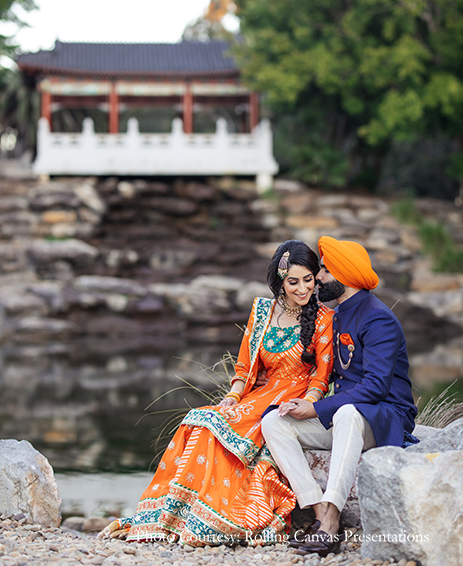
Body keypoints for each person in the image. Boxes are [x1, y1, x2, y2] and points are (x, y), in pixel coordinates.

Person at [99, 240, 334, 546]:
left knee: (217, 428)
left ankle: (214, 518)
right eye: (293, 282)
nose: (303, 289)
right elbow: (245, 368)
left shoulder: (323, 320)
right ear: (280, 281)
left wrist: (309, 404)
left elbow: (321, 377)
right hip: (255, 398)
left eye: (308, 280)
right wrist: (233, 397)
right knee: (200, 420)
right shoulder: (263, 312)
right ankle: (175, 513)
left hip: (289, 402)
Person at [261, 235, 418, 558]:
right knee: (274, 421)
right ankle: (318, 512)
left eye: (325, 271)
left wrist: (317, 408)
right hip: (346, 418)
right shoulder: (339, 314)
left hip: (384, 416)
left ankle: (332, 519)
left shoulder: (378, 319)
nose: (318, 277)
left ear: (345, 275)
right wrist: (292, 397)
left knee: (347, 412)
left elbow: (375, 387)